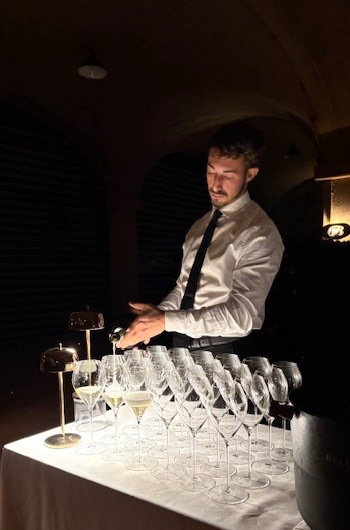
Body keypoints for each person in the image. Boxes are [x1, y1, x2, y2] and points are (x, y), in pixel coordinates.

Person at [117, 122, 284, 355]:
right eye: (211, 171)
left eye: (227, 175)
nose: (215, 184)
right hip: (182, 348)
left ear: (250, 174)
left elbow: (241, 316)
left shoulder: (259, 232)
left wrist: (166, 320)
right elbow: (184, 289)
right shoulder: (200, 226)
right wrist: (153, 319)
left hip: (228, 354)